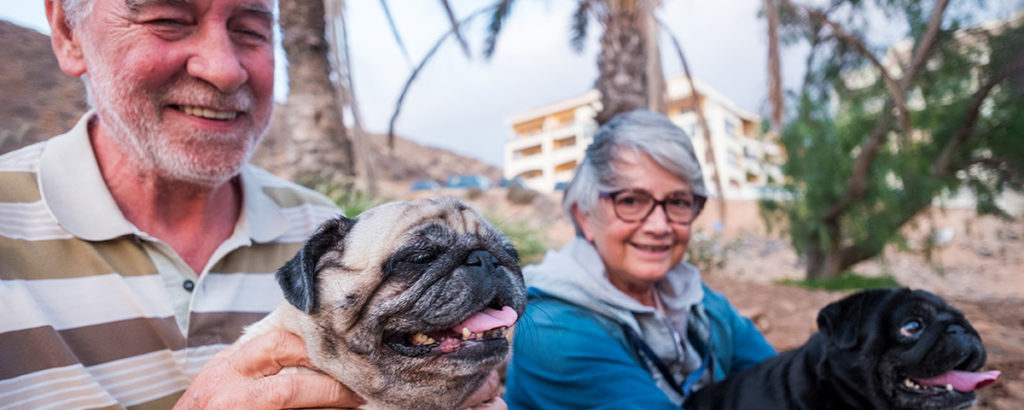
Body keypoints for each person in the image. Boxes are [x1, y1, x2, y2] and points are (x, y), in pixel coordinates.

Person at [0, 0, 503, 408]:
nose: (222, 69)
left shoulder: (324, 229)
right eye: (168, 20)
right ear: (68, 31)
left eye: (250, 30)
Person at [503, 110, 776, 409]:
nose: (660, 226)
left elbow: (781, 381)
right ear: (586, 216)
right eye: (631, 201)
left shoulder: (698, 303)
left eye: (678, 202)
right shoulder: (553, 328)